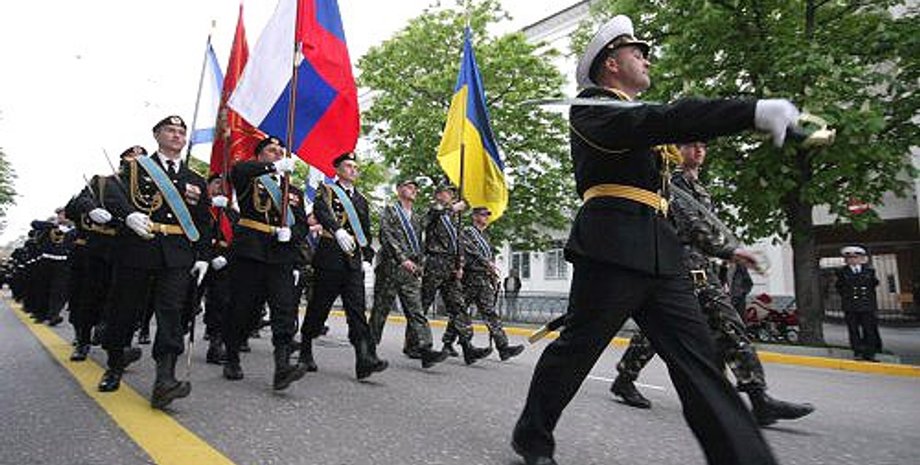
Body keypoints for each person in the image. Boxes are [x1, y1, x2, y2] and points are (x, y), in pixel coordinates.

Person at [511, 15, 800, 465]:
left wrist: (726, 246)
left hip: (662, 253)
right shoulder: (593, 109)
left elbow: (670, 199)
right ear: (611, 64)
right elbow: (667, 118)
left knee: (701, 362)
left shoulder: (636, 120)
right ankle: (532, 435)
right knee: (576, 351)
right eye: (637, 52)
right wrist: (751, 112)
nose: (647, 60)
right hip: (611, 247)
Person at [609, 141, 814, 426]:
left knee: (712, 327)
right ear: (677, 151)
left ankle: (756, 397)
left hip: (700, 268)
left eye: (702, 146)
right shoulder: (671, 184)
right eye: (691, 146)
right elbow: (691, 226)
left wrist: (721, 264)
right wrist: (730, 251)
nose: (699, 151)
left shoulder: (699, 189)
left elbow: (706, 228)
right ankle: (755, 398)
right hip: (676, 267)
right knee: (700, 327)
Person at [97, 115, 212, 410]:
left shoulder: (195, 179)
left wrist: (203, 256)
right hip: (138, 247)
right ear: (157, 135)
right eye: (170, 131)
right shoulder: (136, 167)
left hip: (177, 253)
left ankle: (165, 379)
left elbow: (202, 221)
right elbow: (110, 191)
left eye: (181, 132)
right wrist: (128, 215)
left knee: (171, 313)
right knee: (125, 308)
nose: (176, 135)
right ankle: (115, 364)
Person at [221, 136, 309, 390]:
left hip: (281, 255)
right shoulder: (250, 177)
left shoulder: (293, 190)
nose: (278, 154)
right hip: (251, 251)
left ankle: (282, 367)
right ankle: (232, 355)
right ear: (259, 156)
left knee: (284, 310)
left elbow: (302, 224)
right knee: (244, 309)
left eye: (281, 151)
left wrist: (292, 233)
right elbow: (237, 170)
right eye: (272, 150)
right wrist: (272, 168)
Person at [298, 153, 388, 380]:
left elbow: (365, 230)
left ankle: (364, 359)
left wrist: (367, 258)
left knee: (357, 311)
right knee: (319, 307)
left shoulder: (361, 199)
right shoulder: (327, 191)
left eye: (355, 167)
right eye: (348, 166)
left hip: (353, 261)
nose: (353, 170)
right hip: (330, 258)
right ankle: (305, 350)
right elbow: (321, 210)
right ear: (337, 170)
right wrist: (336, 229)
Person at [369, 178, 448, 368]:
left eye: (415, 188)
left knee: (416, 311)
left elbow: (431, 217)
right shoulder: (390, 211)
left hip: (411, 270)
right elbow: (387, 236)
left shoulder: (416, 217)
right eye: (409, 187)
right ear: (398, 190)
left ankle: (425, 349)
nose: (414, 190)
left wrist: (444, 204)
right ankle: (368, 350)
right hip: (391, 267)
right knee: (380, 311)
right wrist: (402, 259)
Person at [419, 182, 492, 364]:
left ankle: (467, 347)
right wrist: (452, 208)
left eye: (452, 193)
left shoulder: (453, 217)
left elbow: (457, 242)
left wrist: (460, 265)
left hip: (451, 266)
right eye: (447, 192)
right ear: (438, 194)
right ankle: (417, 345)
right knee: (423, 305)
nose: (450, 195)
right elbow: (427, 219)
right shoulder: (434, 209)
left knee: (458, 306)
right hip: (435, 263)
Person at [443, 206, 524, 361]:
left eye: (487, 215)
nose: (486, 217)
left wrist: (492, 274)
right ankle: (448, 342)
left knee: (490, 313)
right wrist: (487, 263)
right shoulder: (467, 232)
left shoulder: (485, 236)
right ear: (474, 216)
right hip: (469, 279)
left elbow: (489, 256)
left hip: (484, 278)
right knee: (460, 313)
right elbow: (471, 250)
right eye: (483, 215)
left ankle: (503, 347)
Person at [202, 173, 237, 365]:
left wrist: (227, 257)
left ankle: (215, 344)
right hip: (200, 259)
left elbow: (238, 240)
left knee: (220, 303)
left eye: (224, 185)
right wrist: (207, 257)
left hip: (223, 261)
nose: (220, 188)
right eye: (216, 183)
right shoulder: (201, 209)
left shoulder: (232, 214)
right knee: (186, 302)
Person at [835, 245, 882, 361]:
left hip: (867, 305)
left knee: (869, 330)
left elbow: (873, 285)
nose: (853, 260)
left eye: (855, 257)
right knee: (853, 330)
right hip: (851, 306)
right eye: (849, 258)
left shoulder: (869, 271)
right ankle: (858, 351)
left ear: (861, 258)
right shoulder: (842, 272)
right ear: (846, 260)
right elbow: (840, 288)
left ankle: (870, 353)